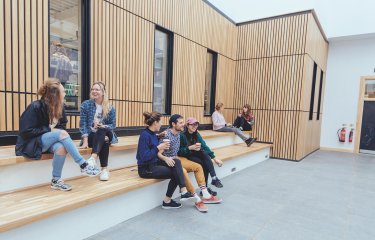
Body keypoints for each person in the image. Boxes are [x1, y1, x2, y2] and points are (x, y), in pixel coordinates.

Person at [15, 79, 101, 191]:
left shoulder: (60, 108)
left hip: (47, 142)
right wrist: (50, 130)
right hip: (32, 143)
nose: (65, 94)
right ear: (55, 95)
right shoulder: (35, 107)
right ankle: (83, 165)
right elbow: (25, 131)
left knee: (61, 148)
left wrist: (54, 132)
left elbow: (62, 126)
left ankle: (56, 180)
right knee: (62, 133)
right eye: (63, 92)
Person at [159, 114, 222, 212]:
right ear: (173, 124)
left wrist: (214, 157)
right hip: (168, 160)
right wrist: (159, 136)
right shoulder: (166, 134)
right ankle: (196, 199)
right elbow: (157, 150)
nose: (183, 125)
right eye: (180, 123)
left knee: (198, 166)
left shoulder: (180, 134)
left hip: (177, 158)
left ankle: (205, 194)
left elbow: (203, 146)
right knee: (182, 171)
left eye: (183, 122)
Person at [136, 111, 195, 210]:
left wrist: (159, 136)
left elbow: (152, 141)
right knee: (176, 172)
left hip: (154, 163)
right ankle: (167, 200)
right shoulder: (144, 135)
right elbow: (144, 157)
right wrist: (159, 147)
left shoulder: (153, 134)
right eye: (160, 122)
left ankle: (183, 191)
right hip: (146, 168)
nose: (162, 124)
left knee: (177, 162)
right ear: (155, 123)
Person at [79, 82, 118, 181]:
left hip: (107, 132)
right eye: (93, 89)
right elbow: (82, 124)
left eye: (97, 89)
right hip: (93, 135)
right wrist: (85, 140)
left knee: (102, 129)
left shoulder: (110, 107)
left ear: (103, 92)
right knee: (104, 140)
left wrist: (103, 125)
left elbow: (113, 125)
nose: (94, 91)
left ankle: (93, 158)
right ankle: (104, 170)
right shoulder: (86, 105)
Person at [179, 117, 224, 193]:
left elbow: (204, 146)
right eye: (192, 124)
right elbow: (179, 151)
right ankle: (205, 188)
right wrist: (190, 148)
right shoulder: (182, 135)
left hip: (197, 153)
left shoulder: (196, 133)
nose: (194, 126)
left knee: (204, 153)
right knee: (203, 164)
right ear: (187, 125)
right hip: (187, 155)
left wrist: (214, 158)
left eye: (196, 124)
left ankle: (213, 178)